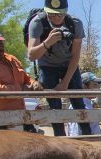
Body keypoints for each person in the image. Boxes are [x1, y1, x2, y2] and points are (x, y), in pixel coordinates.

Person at [26, 0, 87, 136]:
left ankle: (88, 137)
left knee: (78, 103)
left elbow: (75, 56)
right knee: (54, 106)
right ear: (46, 11)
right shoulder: (37, 23)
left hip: (69, 65)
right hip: (47, 66)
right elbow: (31, 56)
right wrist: (48, 42)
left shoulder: (75, 23)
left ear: (66, 12)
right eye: (52, 14)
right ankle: (60, 139)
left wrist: (65, 82)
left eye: (60, 14)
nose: (56, 18)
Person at [0, 27, 43, 128]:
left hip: (21, 116)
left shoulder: (11, 59)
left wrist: (33, 83)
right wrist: (20, 89)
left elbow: (25, 78)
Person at [65, 71, 101, 136]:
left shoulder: (89, 103)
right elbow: (75, 132)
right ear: (84, 86)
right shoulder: (79, 106)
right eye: (94, 85)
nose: (97, 89)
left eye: (97, 85)